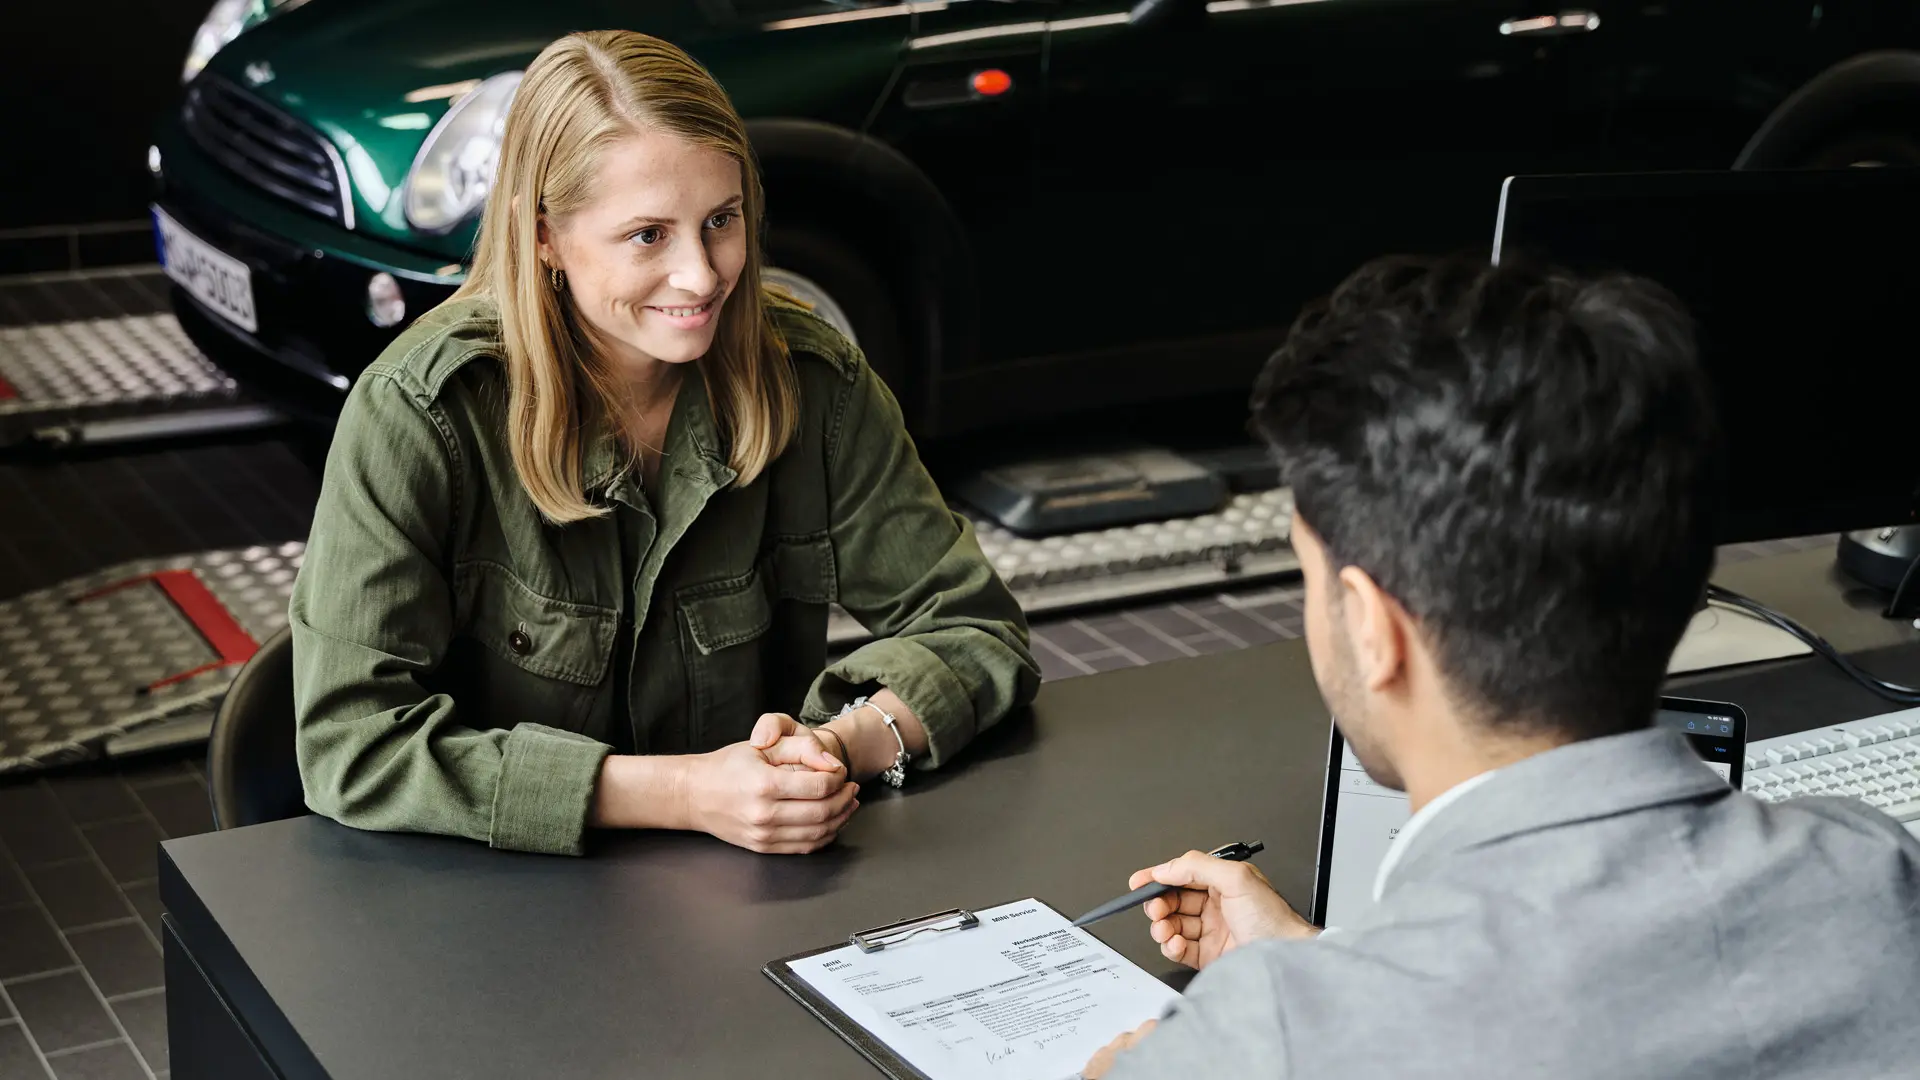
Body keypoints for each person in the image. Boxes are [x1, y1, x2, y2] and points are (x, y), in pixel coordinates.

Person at [1084, 256, 1920, 1078]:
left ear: (1374, 628)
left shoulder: (1260, 1046)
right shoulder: (1878, 875)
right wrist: (1325, 966)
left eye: (1310, 579)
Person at [288, 30, 1038, 858]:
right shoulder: (420, 414)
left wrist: (832, 749)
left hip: (752, 891)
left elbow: (974, 628)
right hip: (496, 903)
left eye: (721, 220)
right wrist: (686, 793)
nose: (703, 275)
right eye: (648, 235)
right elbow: (351, 746)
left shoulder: (814, 384)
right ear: (543, 237)